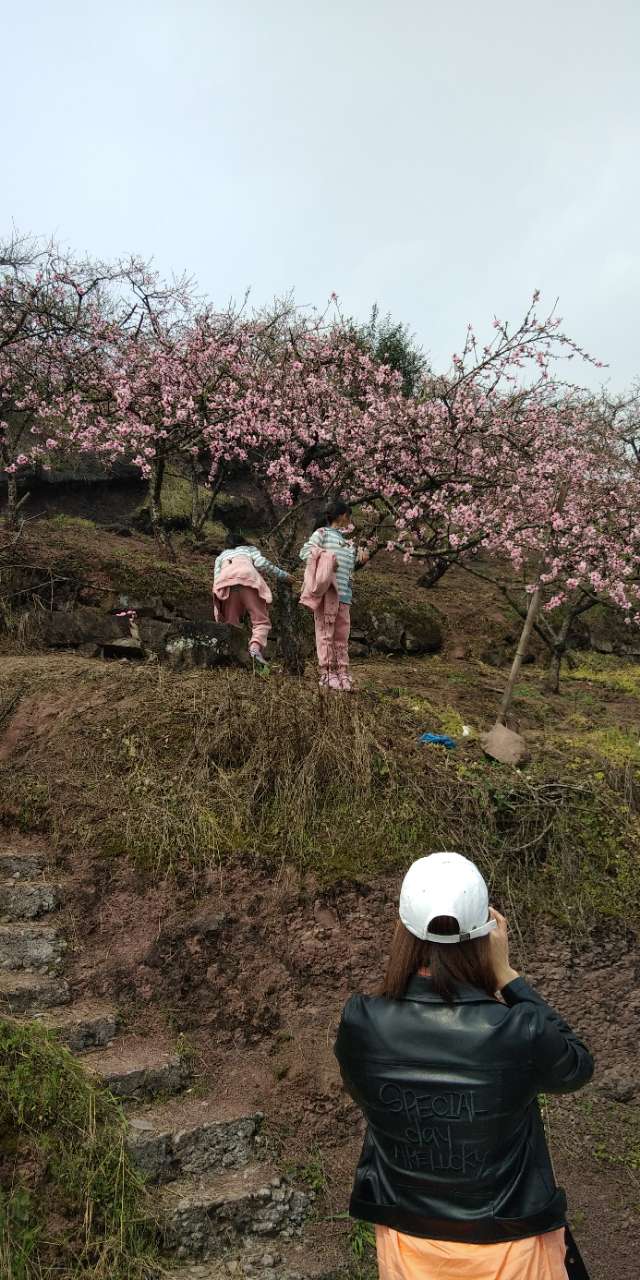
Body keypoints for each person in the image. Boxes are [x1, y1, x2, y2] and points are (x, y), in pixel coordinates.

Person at [335, 852, 594, 1280]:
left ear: (401, 931)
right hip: (510, 1248)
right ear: (487, 935)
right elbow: (576, 1066)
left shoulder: (361, 1021)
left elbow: (361, 1091)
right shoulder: (518, 1029)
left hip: (408, 1242)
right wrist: (508, 976)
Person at [299, 500, 365, 692]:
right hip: (327, 593)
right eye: (349, 516)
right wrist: (328, 558)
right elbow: (305, 553)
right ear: (343, 515)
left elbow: (349, 568)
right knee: (326, 634)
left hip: (345, 594)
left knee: (341, 636)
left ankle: (343, 673)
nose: (349, 520)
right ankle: (327, 673)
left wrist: (361, 560)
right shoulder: (321, 533)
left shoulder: (347, 542)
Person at [213, 533, 291, 666]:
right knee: (261, 621)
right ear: (243, 541)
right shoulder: (249, 550)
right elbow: (261, 563)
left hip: (225, 584)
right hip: (248, 580)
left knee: (231, 623)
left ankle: (234, 654)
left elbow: (216, 577)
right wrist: (283, 575)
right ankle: (255, 649)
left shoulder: (221, 557)